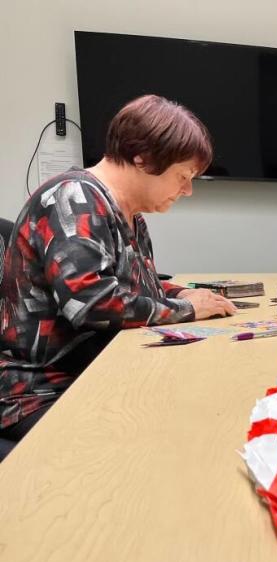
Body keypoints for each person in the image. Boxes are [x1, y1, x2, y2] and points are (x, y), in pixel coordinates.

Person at [0, 94, 236, 455]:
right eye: (183, 176)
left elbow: (134, 287)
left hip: (91, 376)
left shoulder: (129, 215)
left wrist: (179, 294)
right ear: (142, 158)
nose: (187, 190)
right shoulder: (74, 199)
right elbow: (92, 303)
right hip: (40, 393)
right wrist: (188, 311)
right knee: (163, 445)